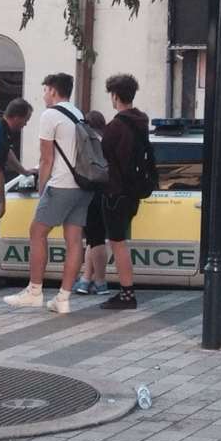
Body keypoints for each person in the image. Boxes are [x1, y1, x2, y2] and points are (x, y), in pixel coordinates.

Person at [4, 73, 92, 314]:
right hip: (83, 187)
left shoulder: (50, 115)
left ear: (53, 91)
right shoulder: (78, 114)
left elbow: (46, 158)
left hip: (61, 184)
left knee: (37, 232)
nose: (43, 95)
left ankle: (34, 291)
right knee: (74, 240)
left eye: (45, 90)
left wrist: (41, 188)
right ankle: (63, 298)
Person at [97, 74, 150, 310]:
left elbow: (102, 157)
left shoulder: (116, 126)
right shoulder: (141, 121)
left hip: (115, 192)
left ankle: (127, 293)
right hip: (133, 190)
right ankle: (127, 291)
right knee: (120, 240)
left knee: (117, 242)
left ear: (115, 96)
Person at [0, 98, 35, 287]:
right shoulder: (0, 133)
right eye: (26, 119)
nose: (26, 124)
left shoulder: (0, 129)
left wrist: (24, 172)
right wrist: (2, 201)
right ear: (16, 117)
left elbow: (7, 154)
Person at [74, 110, 110, 296]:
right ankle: (86, 280)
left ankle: (100, 281)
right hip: (104, 191)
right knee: (94, 238)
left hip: (88, 190)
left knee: (95, 239)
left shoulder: (87, 141)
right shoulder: (106, 141)